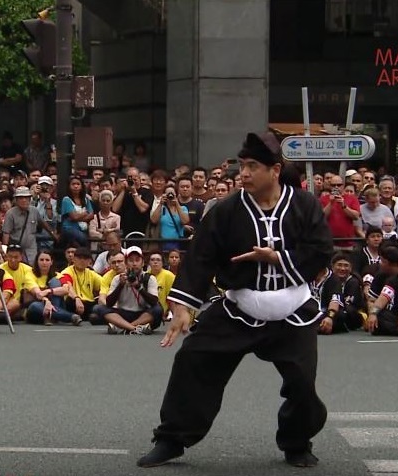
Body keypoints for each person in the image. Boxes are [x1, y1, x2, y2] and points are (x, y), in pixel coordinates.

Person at [138, 132, 333, 469]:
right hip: (240, 307)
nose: (243, 173)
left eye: (252, 166)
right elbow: (200, 257)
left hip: (293, 310)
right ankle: (171, 438)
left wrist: (277, 258)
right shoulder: (227, 210)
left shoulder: (304, 205)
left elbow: (320, 251)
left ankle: (297, 442)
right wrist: (183, 306)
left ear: (274, 170)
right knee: (193, 359)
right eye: (241, 166)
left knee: (302, 382)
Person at [103, 246, 160, 335]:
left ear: (142, 263)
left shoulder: (149, 278)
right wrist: (120, 285)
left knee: (158, 310)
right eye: (131, 260)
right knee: (99, 309)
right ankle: (134, 328)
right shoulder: (118, 279)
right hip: (123, 314)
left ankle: (123, 327)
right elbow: (109, 303)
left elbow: (154, 302)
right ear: (126, 263)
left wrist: (139, 287)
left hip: (143, 314)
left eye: (137, 260)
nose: (134, 264)